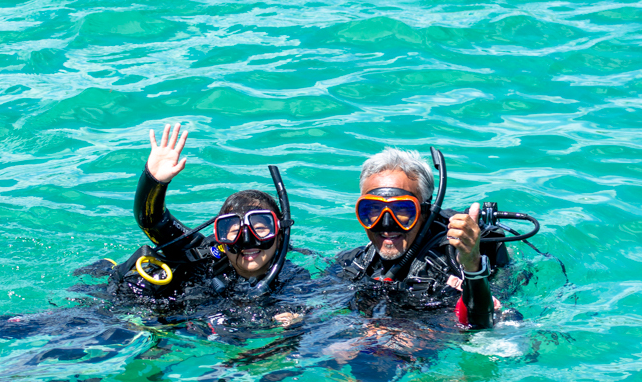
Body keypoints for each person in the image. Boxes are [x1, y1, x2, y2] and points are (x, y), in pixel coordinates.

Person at [102, 123, 311, 319]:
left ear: (280, 233)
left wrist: (296, 321)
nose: (247, 240)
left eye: (259, 228)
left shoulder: (294, 280)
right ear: (220, 237)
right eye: (234, 230)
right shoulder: (204, 256)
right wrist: (154, 180)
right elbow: (153, 221)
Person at [329, 146, 510, 330]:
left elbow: (479, 325)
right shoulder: (355, 263)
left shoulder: (452, 265)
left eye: (402, 210)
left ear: (424, 212)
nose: (386, 224)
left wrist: (472, 266)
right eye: (373, 209)